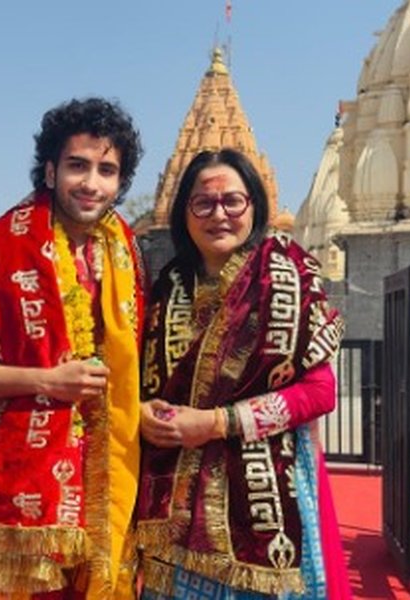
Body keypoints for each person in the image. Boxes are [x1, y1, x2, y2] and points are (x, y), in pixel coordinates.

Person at [0, 97, 146, 600]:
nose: (91, 183)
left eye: (107, 170)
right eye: (77, 166)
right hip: (16, 485)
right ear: (50, 171)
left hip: (105, 476)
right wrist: (47, 381)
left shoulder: (126, 252)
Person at [136, 149, 352, 599]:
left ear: (254, 204)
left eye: (232, 201)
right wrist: (140, 413)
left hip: (263, 492)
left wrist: (217, 423)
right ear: (184, 212)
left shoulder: (286, 276)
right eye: (203, 203)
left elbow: (320, 392)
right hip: (172, 499)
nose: (219, 215)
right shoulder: (166, 288)